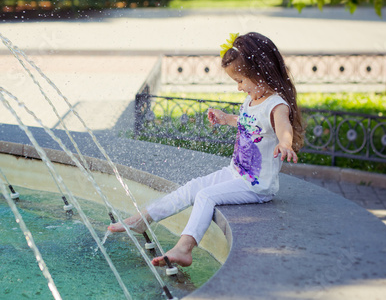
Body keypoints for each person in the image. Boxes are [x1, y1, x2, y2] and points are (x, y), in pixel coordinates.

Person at [108, 32, 304, 268]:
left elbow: (283, 127)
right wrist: (225, 118)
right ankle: (141, 220)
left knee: (205, 196)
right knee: (192, 187)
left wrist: (285, 143)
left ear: (260, 71)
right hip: (236, 174)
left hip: (256, 186)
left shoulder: (276, 104)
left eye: (241, 80)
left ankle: (184, 248)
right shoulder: (253, 99)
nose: (240, 88)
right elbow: (249, 123)